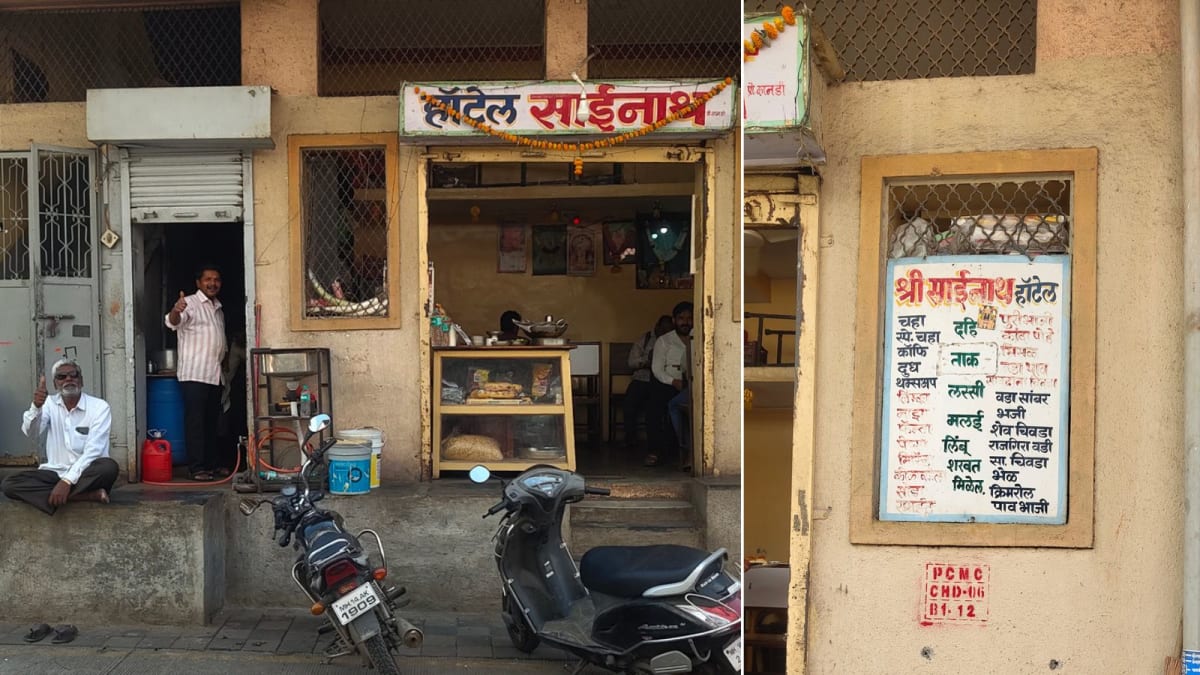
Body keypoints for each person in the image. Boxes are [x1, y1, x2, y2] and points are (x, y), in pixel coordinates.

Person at [1, 359, 118, 515]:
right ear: (55, 384)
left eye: (73, 375)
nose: (68, 379)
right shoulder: (48, 404)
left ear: (81, 380)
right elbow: (32, 432)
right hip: (55, 473)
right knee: (9, 484)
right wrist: (36, 407)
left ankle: (64, 494)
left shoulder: (99, 407)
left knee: (109, 467)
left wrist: (67, 481)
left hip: (86, 474)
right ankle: (85, 496)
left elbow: (94, 451)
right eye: (61, 377)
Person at [166, 264, 228, 481]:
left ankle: (211, 464)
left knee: (212, 422)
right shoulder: (190, 303)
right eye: (208, 279)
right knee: (196, 422)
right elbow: (172, 322)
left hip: (214, 374)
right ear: (198, 283)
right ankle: (197, 468)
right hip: (195, 374)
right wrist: (176, 310)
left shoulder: (218, 308)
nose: (213, 283)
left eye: (216, 279)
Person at [645, 301, 693, 468]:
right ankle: (655, 450)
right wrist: (673, 381)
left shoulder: (699, 337)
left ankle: (687, 450)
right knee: (654, 407)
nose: (685, 322)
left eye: (689, 318)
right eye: (681, 318)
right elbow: (657, 369)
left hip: (692, 383)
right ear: (674, 320)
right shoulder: (664, 341)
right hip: (668, 382)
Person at [622, 315, 674, 448]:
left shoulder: (673, 341)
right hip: (642, 379)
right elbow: (631, 362)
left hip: (663, 380)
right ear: (657, 327)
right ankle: (630, 439)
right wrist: (647, 362)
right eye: (663, 330)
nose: (665, 334)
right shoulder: (645, 339)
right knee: (629, 404)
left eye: (668, 330)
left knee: (662, 407)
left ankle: (665, 442)